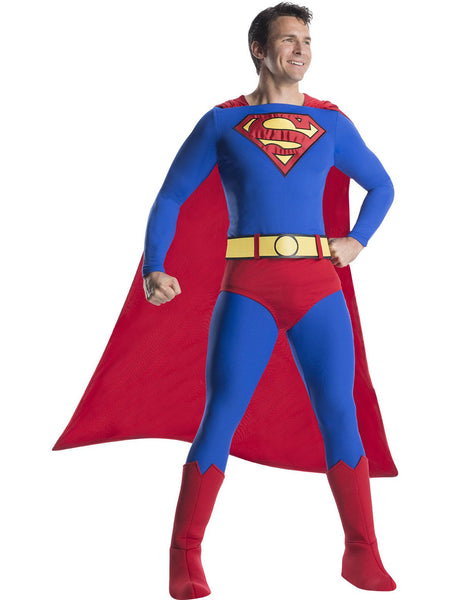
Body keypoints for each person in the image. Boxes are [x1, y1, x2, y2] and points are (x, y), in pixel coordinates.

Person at [141, 3, 396, 598]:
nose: (301, 49)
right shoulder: (222, 121)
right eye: (288, 39)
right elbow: (170, 196)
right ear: (259, 49)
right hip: (248, 288)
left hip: (317, 287)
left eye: (307, 39)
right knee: (221, 415)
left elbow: (383, 185)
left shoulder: (332, 122)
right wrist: (155, 266)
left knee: (340, 412)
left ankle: (362, 552)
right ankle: (184, 555)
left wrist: (358, 239)